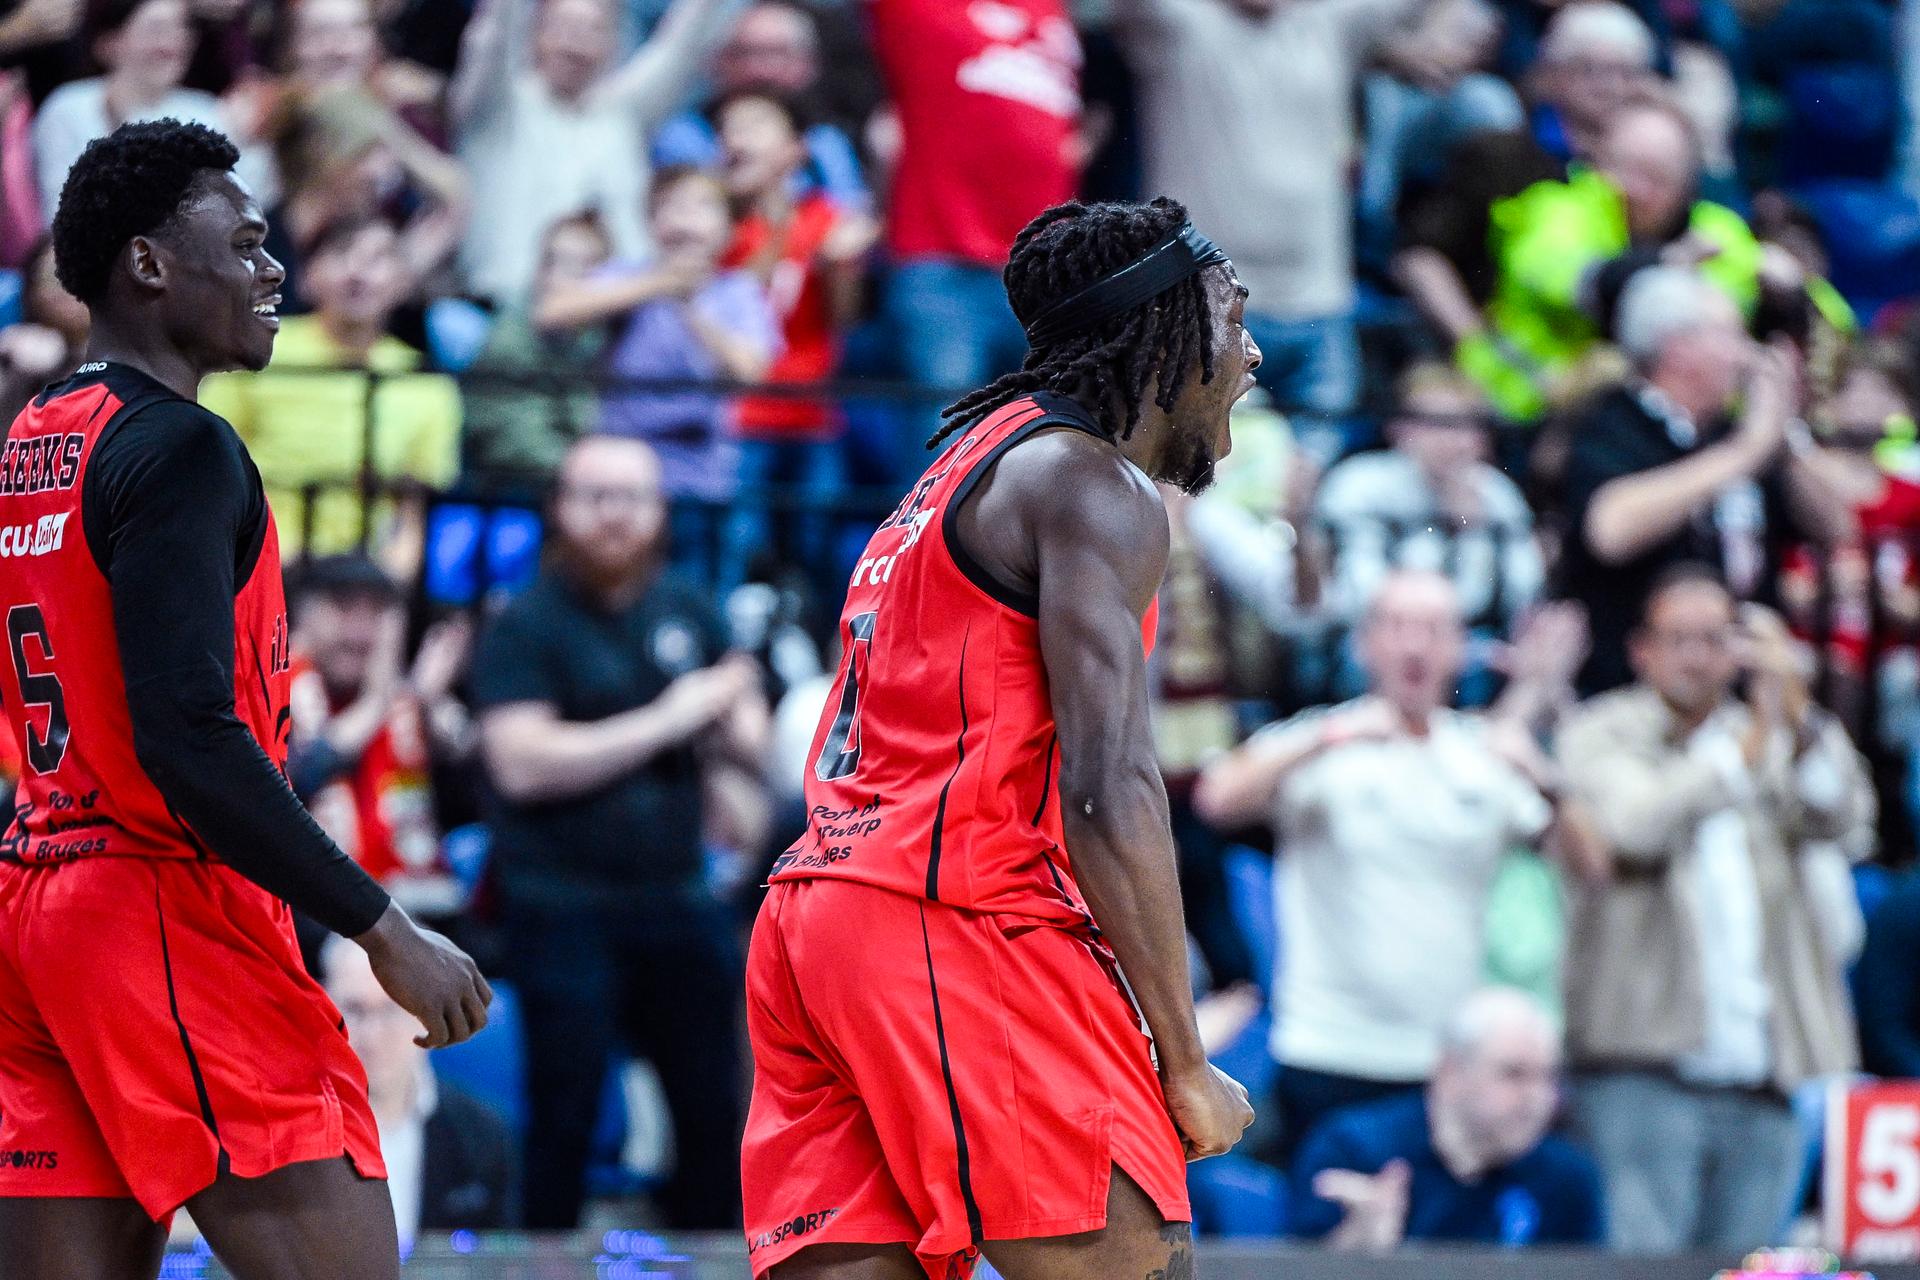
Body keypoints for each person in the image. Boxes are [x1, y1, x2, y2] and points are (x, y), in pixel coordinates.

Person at [0, 119, 488, 1280]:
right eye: (249, 239)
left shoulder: (33, 437)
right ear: (150, 264)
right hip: (158, 903)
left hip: (34, 903)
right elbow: (188, 737)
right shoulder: (181, 447)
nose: (276, 270)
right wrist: (384, 925)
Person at [740, 196, 1261, 1280]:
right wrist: (1187, 1056)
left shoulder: (955, 468)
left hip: (814, 920)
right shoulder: (1090, 484)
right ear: (1163, 329)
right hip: (954, 916)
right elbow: (1109, 783)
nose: (1250, 356)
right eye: (1229, 317)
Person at [1194, 571, 1598, 1165]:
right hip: (1326, 1046)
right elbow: (1215, 800)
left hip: (1446, 1060)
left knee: (1431, 1252)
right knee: (1329, 1243)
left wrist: (1547, 779)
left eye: (1435, 630)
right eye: (1398, 626)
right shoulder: (1324, 740)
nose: (1415, 645)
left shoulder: (1484, 754)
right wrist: (1329, 738)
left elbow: (1593, 869)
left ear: (1461, 649)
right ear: (1365, 644)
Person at [471, 434, 769, 1231]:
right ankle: (546, 1262)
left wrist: (730, 722)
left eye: (632, 497)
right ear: (561, 510)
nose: (614, 516)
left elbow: (753, 738)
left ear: (659, 513)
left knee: (712, 1108)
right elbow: (522, 762)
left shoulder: (690, 607)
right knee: (565, 1113)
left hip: (676, 894)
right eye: (595, 496)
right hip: (559, 901)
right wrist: (669, 717)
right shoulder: (524, 624)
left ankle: (713, 1255)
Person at [1556, 567, 1874, 1251]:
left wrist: (1796, 711)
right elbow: (1635, 825)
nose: (1697, 658)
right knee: (1643, 1266)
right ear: (1642, 649)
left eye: (1714, 639)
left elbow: (1844, 814)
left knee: (1751, 1267)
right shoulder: (1601, 730)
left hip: (1765, 1067)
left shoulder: (1771, 728)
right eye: (1679, 640)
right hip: (1644, 1066)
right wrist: (1748, 748)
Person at [1114, 0, 1437, 457]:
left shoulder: (1327, 23)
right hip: (1204, 303)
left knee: (1305, 492)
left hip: (1319, 302)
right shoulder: (1178, 22)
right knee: (1192, 478)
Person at [1554, 267, 1848, 693]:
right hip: (1634, 689)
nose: (1747, 354)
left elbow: (1837, 526)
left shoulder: (1738, 432)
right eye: (1731, 335)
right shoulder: (1612, 421)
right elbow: (1610, 529)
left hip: (1742, 688)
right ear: (1679, 349)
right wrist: (1746, 450)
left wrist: (1783, 437)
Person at [869, 0, 1082, 482]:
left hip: (1046, 277)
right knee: (940, 455)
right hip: (946, 264)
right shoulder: (920, 10)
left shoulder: (1050, 9)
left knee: (1047, 453)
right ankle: (921, 560)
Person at [535, 165, 778, 577]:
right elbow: (551, 312)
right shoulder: (626, 276)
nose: (685, 219)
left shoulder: (737, 292)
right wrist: (656, 285)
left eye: (701, 207)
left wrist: (691, 310)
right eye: (671, 206)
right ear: (651, 221)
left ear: (728, 229)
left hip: (699, 479)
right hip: (619, 474)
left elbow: (751, 371)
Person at [198, 212, 461, 569]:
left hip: (363, 578)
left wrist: (383, 583)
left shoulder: (426, 382)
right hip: (251, 559)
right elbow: (210, 470)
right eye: (341, 253)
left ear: (403, 282)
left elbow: (413, 514)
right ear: (306, 275)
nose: (358, 271)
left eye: (380, 258)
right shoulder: (254, 351)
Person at [450, 0, 744, 304]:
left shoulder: (621, 115)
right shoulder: (498, 106)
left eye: (594, 29)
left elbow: (683, 48)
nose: (576, 40)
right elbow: (496, 35)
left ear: (614, 43)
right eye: (563, 26)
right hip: (503, 314)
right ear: (534, 33)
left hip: (614, 319)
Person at [711, 85, 876, 590]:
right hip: (740, 419)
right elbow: (735, 300)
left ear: (796, 149)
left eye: (755, 124)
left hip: (812, 415)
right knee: (737, 546)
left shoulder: (825, 218)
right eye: (728, 129)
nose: (737, 138)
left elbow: (843, 318)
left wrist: (841, 266)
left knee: (817, 549)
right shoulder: (715, 223)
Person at [1289, 988, 1605, 1250]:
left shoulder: (1567, 1179)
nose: (1537, 1099)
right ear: (1451, 1073)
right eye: (1513, 1075)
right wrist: (1358, 1247)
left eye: (1549, 1078)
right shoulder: (1354, 1150)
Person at [287, 555, 472, 919]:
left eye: (376, 613)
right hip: (315, 914)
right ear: (303, 617)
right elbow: (301, 777)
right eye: (344, 609)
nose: (360, 633)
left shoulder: (410, 700)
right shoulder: (275, 690)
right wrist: (376, 703)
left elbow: (473, 795)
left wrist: (427, 705)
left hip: (420, 901)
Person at [1313, 363, 1542, 638]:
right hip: (1371, 636)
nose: (1448, 440)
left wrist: (1472, 533)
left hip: (1467, 642)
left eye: (1461, 426)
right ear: (1398, 428)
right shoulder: (1359, 482)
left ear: (1481, 438)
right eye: (1434, 424)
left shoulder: (1495, 492)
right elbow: (1355, 596)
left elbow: (1523, 594)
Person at [318, 935, 517, 1246]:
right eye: (354, 1011)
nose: (372, 1035)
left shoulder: (483, 1136)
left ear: (426, 1016)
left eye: (391, 1009)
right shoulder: (285, 1130)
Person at [31, 0, 274, 212]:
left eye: (182, 28)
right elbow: (62, 210)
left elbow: (247, 203)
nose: (172, 40)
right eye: (156, 28)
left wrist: (253, 139)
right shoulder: (70, 106)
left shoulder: (207, 110)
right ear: (109, 43)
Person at [650, 2, 869, 208]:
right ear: (716, 63)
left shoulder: (824, 140)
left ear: (808, 64)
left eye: (776, 53)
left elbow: (848, 217)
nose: (760, 70)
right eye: (744, 52)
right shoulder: (684, 137)